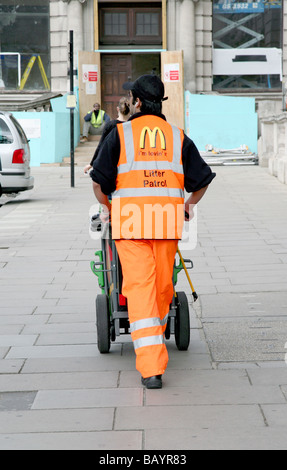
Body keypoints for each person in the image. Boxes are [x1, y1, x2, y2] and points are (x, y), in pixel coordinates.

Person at [90, 74, 216, 389]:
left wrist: (109, 207)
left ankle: (151, 360)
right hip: (166, 225)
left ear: (137, 102)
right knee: (160, 290)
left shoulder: (120, 135)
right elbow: (202, 181)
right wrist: (186, 206)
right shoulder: (178, 136)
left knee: (144, 290)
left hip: (130, 227)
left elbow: (97, 181)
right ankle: (152, 362)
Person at [84, 97, 130, 174]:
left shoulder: (111, 125)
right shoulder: (133, 125)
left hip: (113, 165)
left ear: (117, 109)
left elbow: (101, 145)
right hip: (128, 165)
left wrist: (91, 164)